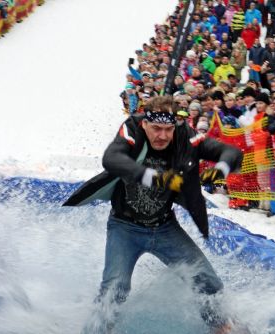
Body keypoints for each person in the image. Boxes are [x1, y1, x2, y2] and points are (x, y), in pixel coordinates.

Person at [64, 96, 243, 333]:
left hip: (164, 227)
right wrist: (152, 177)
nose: (162, 136)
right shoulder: (132, 129)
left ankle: (221, 327)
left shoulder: (184, 137)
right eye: (156, 129)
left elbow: (231, 152)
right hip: (124, 227)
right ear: (145, 124)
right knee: (114, 289)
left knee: (209, 282)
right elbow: (111, 158)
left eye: (168, 129)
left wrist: (220, 169)